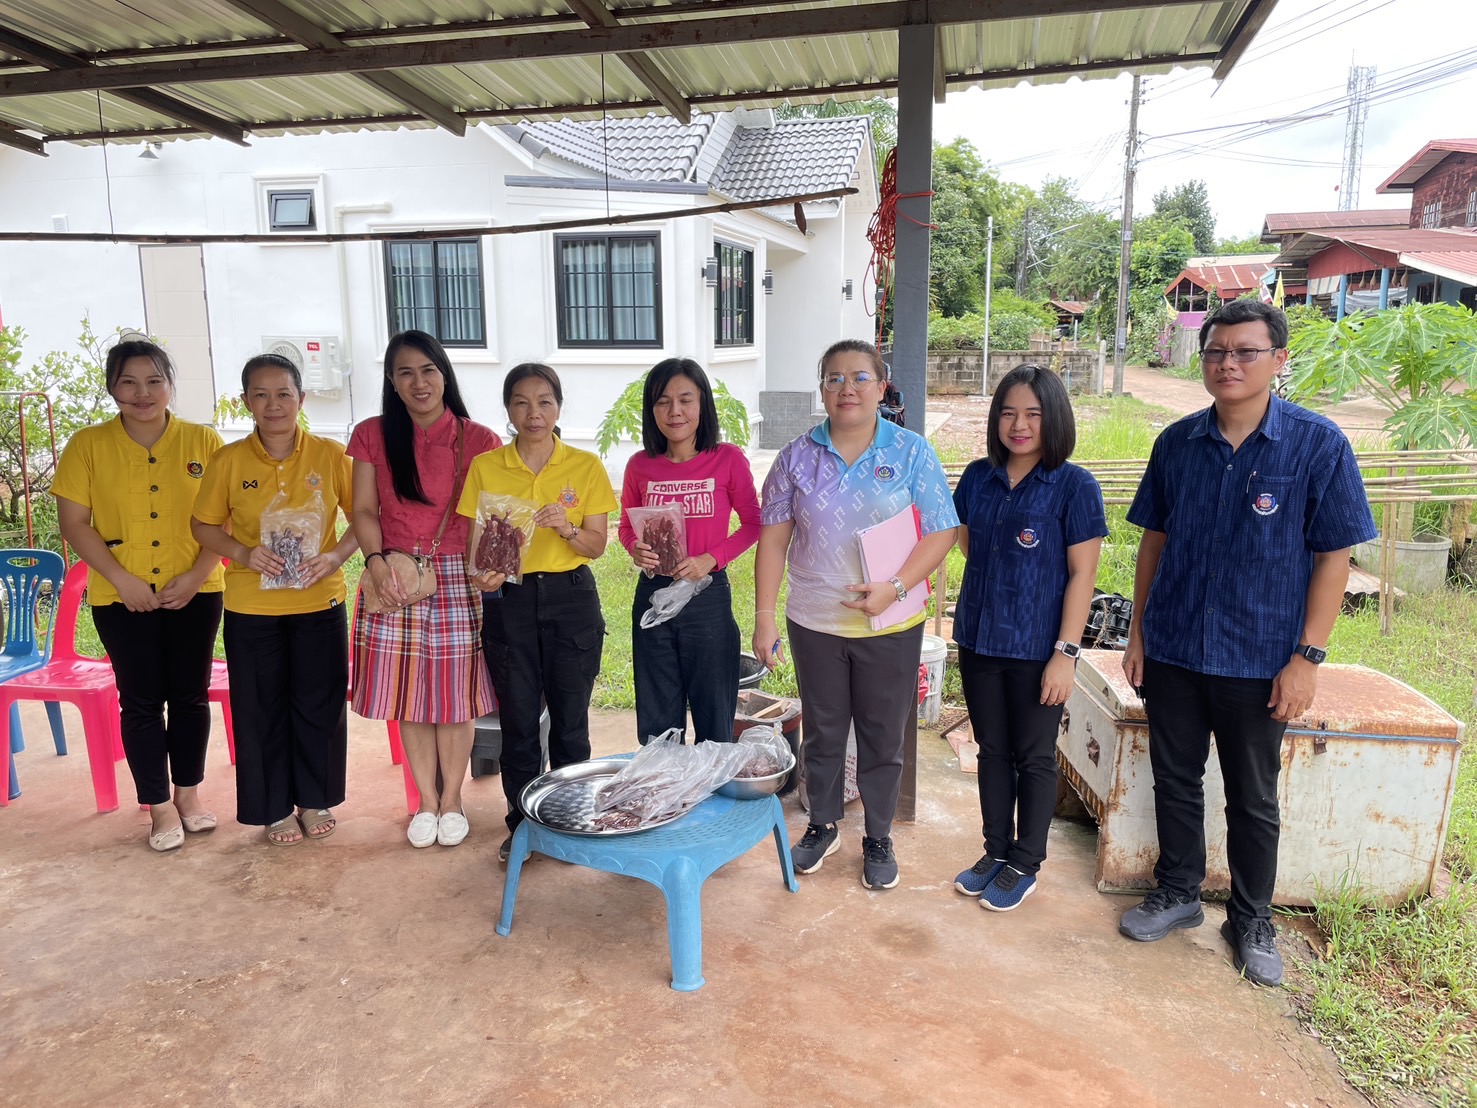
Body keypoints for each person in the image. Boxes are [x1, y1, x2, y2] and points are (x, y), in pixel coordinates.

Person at [1119, 300, 1376, 986]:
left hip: (1260, 657)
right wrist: (1138, 630)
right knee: (1173, 778)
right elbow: (1155, 540)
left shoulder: (1316, 445)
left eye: (1244, 352)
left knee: (1252, 796)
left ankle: (1250, 917)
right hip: (1174, 647)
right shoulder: (1177, 443)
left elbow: (1332, 558)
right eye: (1215, 352)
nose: (1227, 363)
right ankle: (1176, 892)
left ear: (1277, 360)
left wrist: (1306, 658)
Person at [753, 339, 957, 890]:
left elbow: (942, 530)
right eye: (834, 378)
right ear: (821, 389)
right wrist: (764, 616)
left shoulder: (911, 452)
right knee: (822, 728)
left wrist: (895, 587)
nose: (847, 388)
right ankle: (823, 824)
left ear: (882, 386)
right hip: (814, 620)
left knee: (883, 733)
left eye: (860, 377)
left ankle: (879, 834)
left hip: (890, 621)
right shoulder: (795, 457)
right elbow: (772, 542)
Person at [52, 340, 226, 852]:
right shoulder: (87, 445)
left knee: (190, 697)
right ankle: (158, 805)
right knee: (142, 700)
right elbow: (74, 524)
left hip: (195, 590)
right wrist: (123, 579)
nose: (142, 393)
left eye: (154, 380)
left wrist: (196, 574)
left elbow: (224, 518)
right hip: (118, 596)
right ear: (112, 387)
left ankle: (188, 794)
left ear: (171, 384)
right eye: (128, 382)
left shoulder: (203, 442)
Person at [950, 365, 1106, 911]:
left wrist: (1065, 654)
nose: (1019, 425)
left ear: (1053, 419)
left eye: (1033, 414)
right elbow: (969, 544)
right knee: (991, 750)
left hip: (1041, 648)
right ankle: (995, 851)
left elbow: (1082, 574)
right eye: (1009, 412)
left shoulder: (1074, 485)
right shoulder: (976, 477)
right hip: (978, 639)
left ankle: (1025, 861)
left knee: (1033, 756)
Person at [190, 354, 358, 847]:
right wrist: (242, 551)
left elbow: (365, 516)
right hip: (251, 607)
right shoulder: (228, 460)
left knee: (319, 703)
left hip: (318, 600)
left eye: (283, 393)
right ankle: (272, 808)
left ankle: (314, 798)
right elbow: (201, 525)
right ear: (246, 402)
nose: (273, 404)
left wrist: (334, 557)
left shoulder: (330, 455)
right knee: (261, 707)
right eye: (260, 395)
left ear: (301, 399)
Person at [347, 331, 501, 849]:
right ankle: (426, 803)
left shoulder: (477, 439)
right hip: (392, 573)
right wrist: (373, 561)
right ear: (391, 381)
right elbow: (364, 510)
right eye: (405, 372)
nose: (419, 382)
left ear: (445, 375)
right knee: (409, 695)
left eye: (428, 370)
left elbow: (491, 517)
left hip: (457, 575)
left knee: (455, 697)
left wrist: (492, 566)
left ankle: (452, 800)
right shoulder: (371, 434)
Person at [458, 363, 616, 862]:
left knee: (571, 723)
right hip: (511, 601)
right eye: (522, 403)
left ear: (558, 408)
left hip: (571, 598)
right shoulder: (487, 466)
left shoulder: (584, 466)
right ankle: (523, 825)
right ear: (508, 409)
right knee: (520, 723)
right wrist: (481, 573)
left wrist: (566, 528)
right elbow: (475, 548)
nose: (534, 413)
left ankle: (570, 820)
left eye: (545, 401)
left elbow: (596, 546)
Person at [618, 358, 760, 743]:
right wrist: (635, 550)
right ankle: (666, 796)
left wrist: (711, 559)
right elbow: (626, 528)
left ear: (702, 406)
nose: (675, 411)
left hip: (706, 595)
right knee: (657, 714)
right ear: (651, 409)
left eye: (686, 400)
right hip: (654, 595)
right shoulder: (640, 466)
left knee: (714, 712)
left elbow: (753, 524)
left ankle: (713, 796)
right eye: (663, 402)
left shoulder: (727, 459)